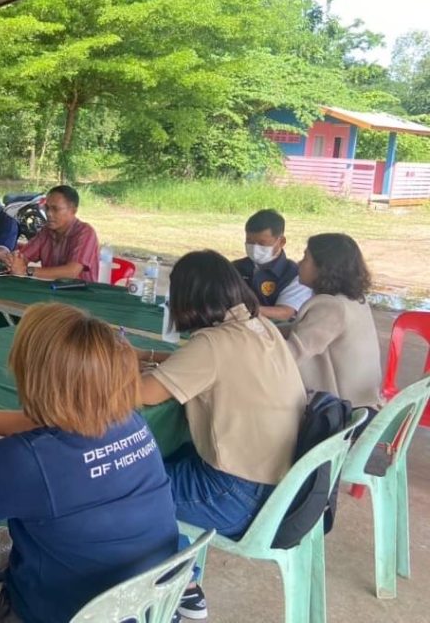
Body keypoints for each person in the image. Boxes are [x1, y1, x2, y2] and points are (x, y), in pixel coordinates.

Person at [0, 303, 178, 623]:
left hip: (58, 612)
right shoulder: (129, 421)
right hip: (148, 607)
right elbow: (65, 421)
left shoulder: (32, 460)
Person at [138, 250, 306, 620]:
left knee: (123, 489)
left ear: (189, 298)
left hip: (233, 496)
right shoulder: (259, 326)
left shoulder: (213, 344)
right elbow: (199, 363)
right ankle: (174, 566)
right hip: (278, 488)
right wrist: (145, 355)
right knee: (151, 461)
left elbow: (144, 393)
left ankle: (181, 584)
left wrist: (99, 369)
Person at [285, 233, 382, 406]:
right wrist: (263, 328)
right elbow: (302, 328)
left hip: (341, 413)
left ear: (323, 268)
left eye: (305, 258)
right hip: (364, 403)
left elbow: (291, 354)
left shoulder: (330, 308)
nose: (299, 263)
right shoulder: (352, 300)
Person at [3, 185, 99, 282]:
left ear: (73, 210)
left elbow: (71, 272)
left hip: (79, 291)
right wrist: (13, 261)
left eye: (55, 209)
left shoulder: (85, 233)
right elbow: (23, 256)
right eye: (46, 208)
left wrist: (27, 271)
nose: (48, 213)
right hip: (49, 289)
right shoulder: (46, 231)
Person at [231, 209, 311, 321]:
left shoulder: (295, 274)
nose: (255, 248)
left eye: (262, 243)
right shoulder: (234, 268)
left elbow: (284, 312)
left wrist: (243, 311)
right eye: (250, 242)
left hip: (273, 329)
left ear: (281, 242)